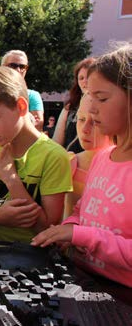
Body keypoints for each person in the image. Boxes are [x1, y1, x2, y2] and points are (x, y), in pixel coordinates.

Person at [31, 44, 132, 288]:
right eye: (90, 97)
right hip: (81, 279)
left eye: (102, 98)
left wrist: (81, 236)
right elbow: (83, 210)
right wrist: (68, 228)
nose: (92, 108)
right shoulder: (101, 158)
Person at [0, 66, 72, 243]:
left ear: (21, 106)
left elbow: (46, 227)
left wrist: (11, 179)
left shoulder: (54, 157)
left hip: (31, 256)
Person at [63, 94, 111, 218]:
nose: (84, 129)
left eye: (95, 121)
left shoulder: (124, 170)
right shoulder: (69, 162)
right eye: (81, 119)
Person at [53, 57, 96, 153]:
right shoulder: (69, 107)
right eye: (81, 78)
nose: (85, 81)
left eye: (89, 76)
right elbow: (57, 141)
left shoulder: (107, 106)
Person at [1, 50, 44, 131]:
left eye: (22, 67)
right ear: (3, 67)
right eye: (13, 65)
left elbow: (38, 125)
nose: (18, 70)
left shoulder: (32, 95)